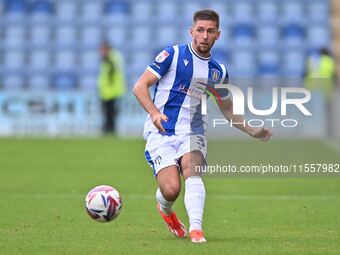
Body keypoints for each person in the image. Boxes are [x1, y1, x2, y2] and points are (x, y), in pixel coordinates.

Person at [133, 9, 272, 243]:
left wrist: (252, 130)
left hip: (193, 132)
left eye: (210, 31)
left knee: (192, 168)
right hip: (162, 132)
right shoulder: (172, 55)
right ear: (192, 31)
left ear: (218, 35)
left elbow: (227, 109)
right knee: (171, 190)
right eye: (200, 30)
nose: (204, 36)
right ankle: (166, 211)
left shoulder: (218, 72)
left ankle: (196, 229)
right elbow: (140, 86)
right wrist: (154, 113)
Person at [97, 42, 126, 134]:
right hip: (108, 91)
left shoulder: (110, 59)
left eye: (102, 50)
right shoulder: (112, 58)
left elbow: (111, 74)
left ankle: (109, 129)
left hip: (111, 91)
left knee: (110, 113)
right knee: (109, 113)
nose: (101, 52)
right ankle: (109, 129)